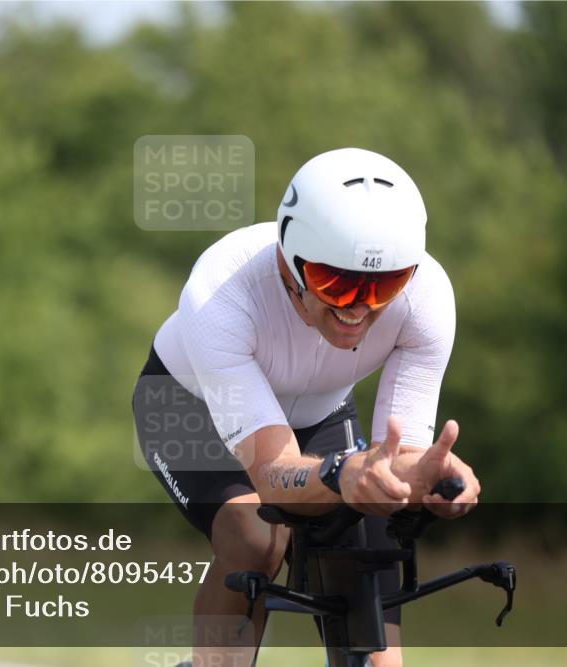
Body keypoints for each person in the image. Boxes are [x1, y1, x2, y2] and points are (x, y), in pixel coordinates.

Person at [132, 148, 481, 667]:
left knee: (368, 541)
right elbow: (273, 472)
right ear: (290, 260)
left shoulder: (427, 295)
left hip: (318, 412)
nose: (360, 307)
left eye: (383, 285)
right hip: (188, 405)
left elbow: (402, 454)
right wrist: (342, 473)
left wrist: (431, 477)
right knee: (255, 536)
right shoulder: (221, 292)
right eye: (337, 284)